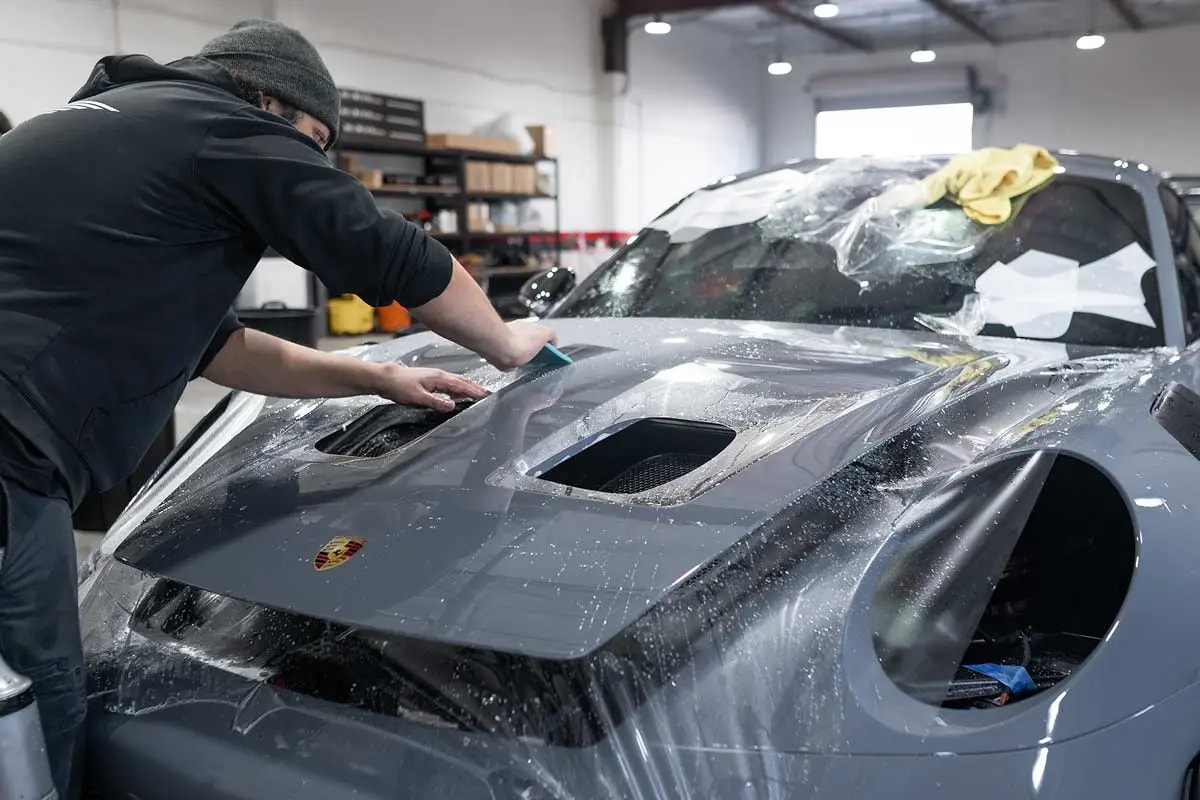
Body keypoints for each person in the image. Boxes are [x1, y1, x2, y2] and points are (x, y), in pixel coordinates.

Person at [0, 18, 556, 800]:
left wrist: (376, 379)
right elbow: (393, 251)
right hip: (8, 457)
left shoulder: (119, 125)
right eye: (314, 142)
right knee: (31, 697)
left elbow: (222, 349)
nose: (312, 163)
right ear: (269, 100)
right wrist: (506, 343)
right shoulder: (218, 125)